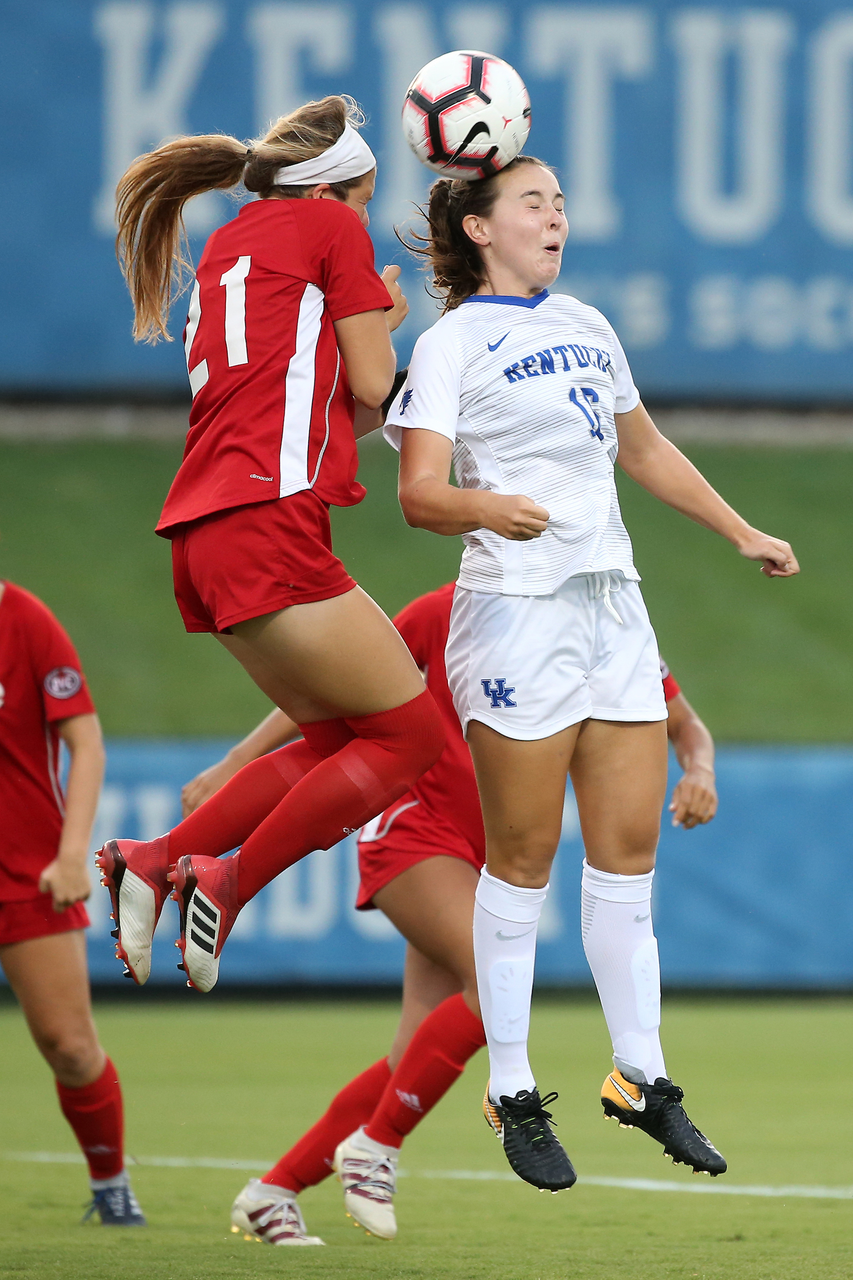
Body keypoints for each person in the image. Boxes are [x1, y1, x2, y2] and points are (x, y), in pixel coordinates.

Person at [384, 154, 798, 1192]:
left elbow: (644, 450)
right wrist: (492, 507)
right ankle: (514, 1087)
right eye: (534, 201)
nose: (556, 216)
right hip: (515, 615)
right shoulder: (448, 343)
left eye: (561, 200)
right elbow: (418, 495)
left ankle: (641, 1075)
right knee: (523, 855)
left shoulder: (587, 326)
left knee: (626, 855)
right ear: (480, 229)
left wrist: (738, 527)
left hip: (612, 603)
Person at [180, 583, 718, 1244]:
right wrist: (237, 760)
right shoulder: (452, 608)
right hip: (412, 830)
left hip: (478, 857)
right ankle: (375, 1147)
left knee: (411, 1055)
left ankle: (274, 1191)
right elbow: (332, 692)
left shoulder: (607, 619)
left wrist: (700, 771)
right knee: (492, 989)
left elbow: (684, 724)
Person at [97, 95, 444, 993]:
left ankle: (157, 858)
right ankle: (227, 879)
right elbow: (373, 382)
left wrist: (363, 334)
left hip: (204, 533)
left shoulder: (228, 248)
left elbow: (332, 414)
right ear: (336, 191)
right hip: (267, 524)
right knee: (409, 737)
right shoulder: (330, 234)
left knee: (341, 738)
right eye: (367, 200)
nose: (367, 218)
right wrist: (385, 321)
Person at [0, 579, 145, 1225]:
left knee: (70, 1046)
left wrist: (69, 854)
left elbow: (85, 743)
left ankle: (111, 1183)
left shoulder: (23, 619)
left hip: (23, 871)